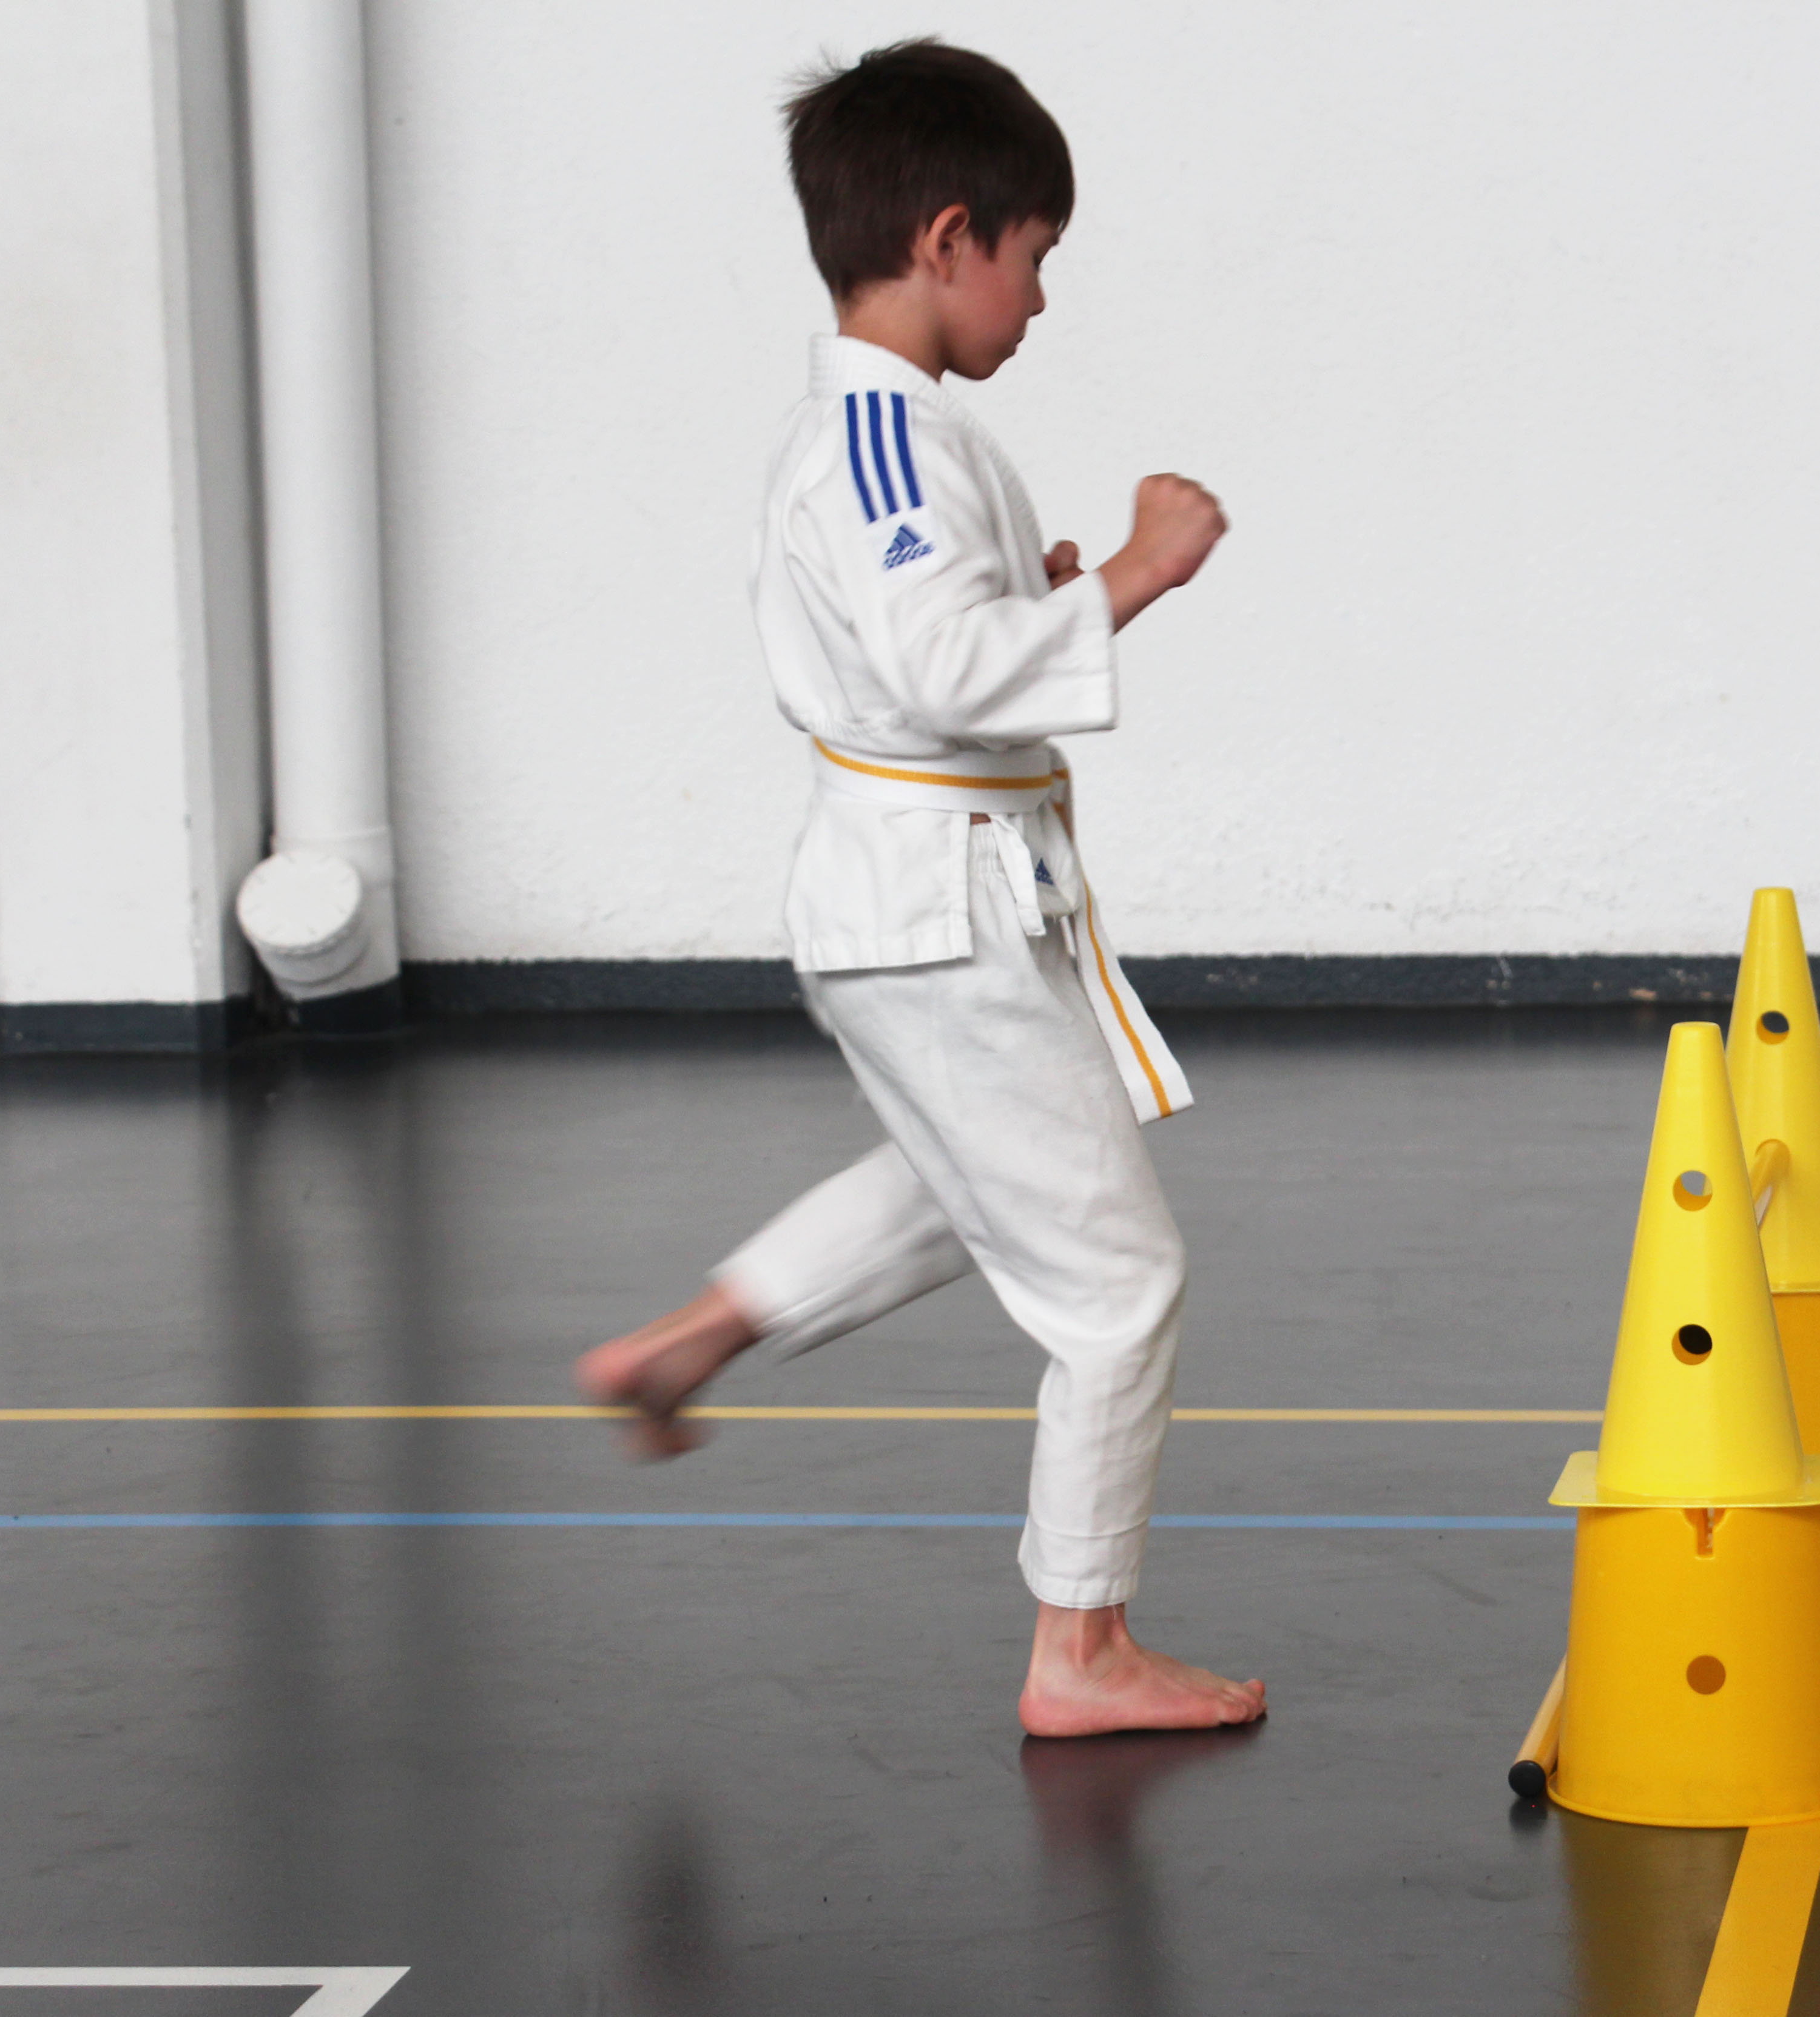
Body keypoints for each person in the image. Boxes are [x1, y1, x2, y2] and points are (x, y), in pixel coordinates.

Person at [577, 39, 1262, 1739]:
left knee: (988, 1182)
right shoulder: (879, 441)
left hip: (925, 899)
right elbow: (946, 671)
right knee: (1118, 1285)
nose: (1041, 297)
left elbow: (930, 640)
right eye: (1035, 255)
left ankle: (697, 1337)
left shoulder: (888, 440)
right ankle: (1080, 1650)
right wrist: (1135, 573)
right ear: (950, 237)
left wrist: (1042, 592)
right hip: (931, 906)